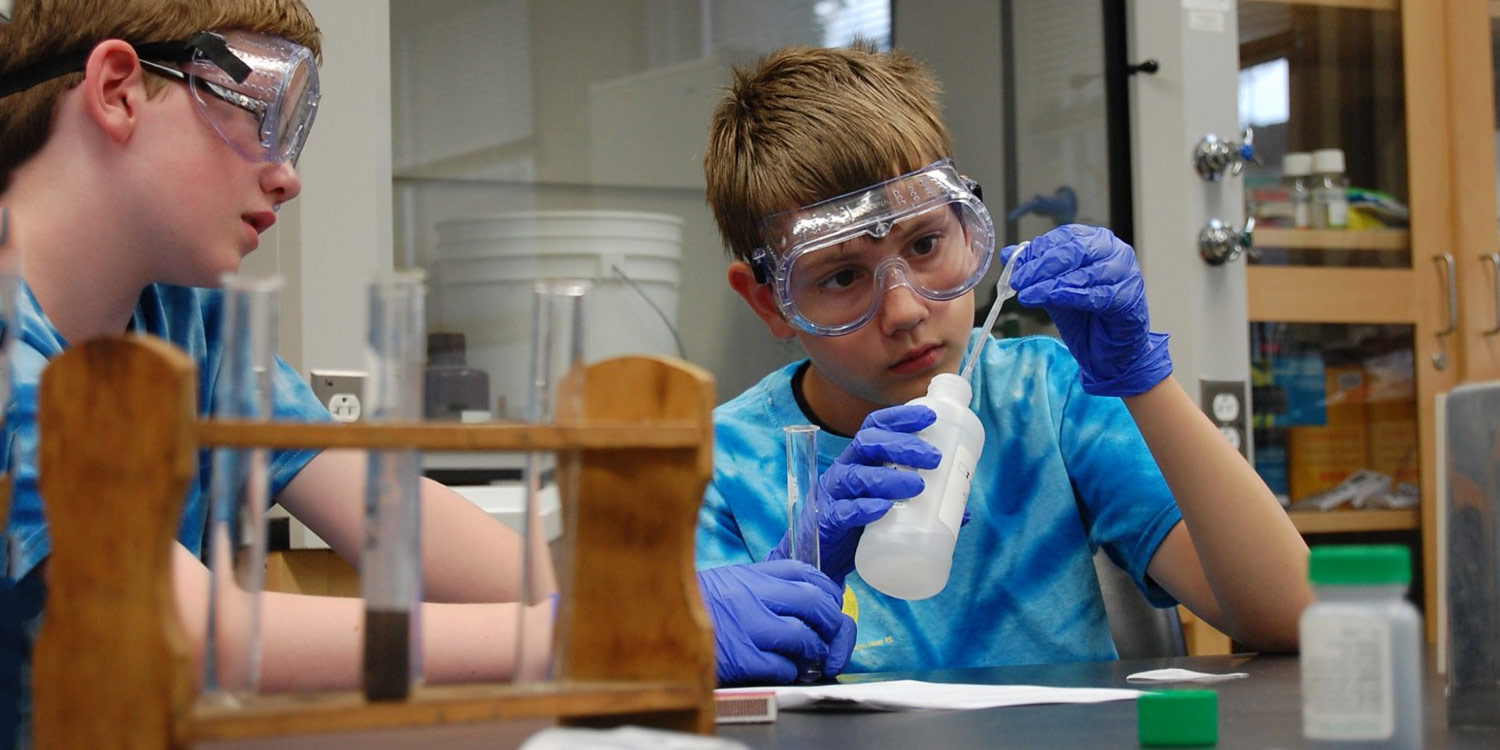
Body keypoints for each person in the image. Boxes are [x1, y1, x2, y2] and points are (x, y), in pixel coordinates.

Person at [0, 4, 848, 740]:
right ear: (116, 89)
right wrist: (601, 633)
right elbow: (177, 623)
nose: (287, 174)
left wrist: (686, 596)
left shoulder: (190, 325)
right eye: (263, 114)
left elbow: (398, 517)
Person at [696, 43, 1314, 680]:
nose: (905, 310)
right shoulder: (716, 467)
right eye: (842, 276)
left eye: (927, 242)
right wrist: (772, 593)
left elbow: (1293, 616)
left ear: (969, 228)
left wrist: (1143, 380)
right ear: (769, 301)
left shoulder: (1047, 396)